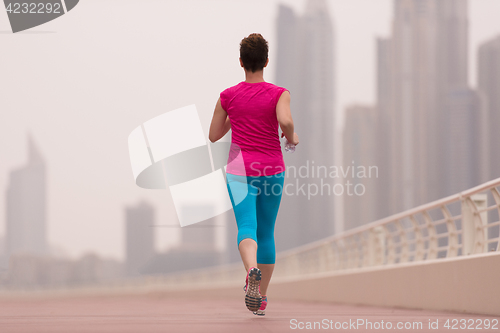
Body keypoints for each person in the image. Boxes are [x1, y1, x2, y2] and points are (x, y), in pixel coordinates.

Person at [208, 33, 299, 316]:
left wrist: (235, 120)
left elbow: (213, 135)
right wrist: (292, 136)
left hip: (239, 169)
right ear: (266, 61)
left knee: (246, 225)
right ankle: (261, 297)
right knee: (267, 232)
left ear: (241, 62)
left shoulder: (228, 96)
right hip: (272, 169)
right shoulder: (279, 93)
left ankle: (251, 272)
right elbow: (284, 120)